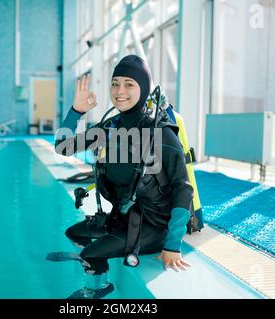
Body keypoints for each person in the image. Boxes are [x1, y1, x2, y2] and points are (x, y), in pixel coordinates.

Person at [53, 55, 194, 299]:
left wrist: (173, 245)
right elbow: (62, 147)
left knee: (90, 253)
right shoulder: (109, 128)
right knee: (74, 234)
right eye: (115, 83)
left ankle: (97, 288)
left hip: (152, 225)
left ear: (144, 88)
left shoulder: (160, 134)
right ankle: (95, 257)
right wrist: (76, 111)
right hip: (123, 216)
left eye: (129, 84)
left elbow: (183, 189)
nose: (120, 91)